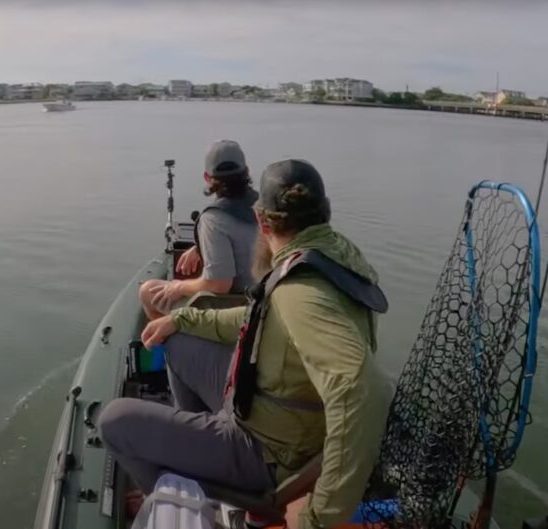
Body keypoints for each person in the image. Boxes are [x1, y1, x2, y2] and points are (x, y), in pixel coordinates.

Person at [99, 159, 390, 529]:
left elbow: (360, 391)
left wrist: (319, 520)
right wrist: (185, 318)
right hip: (279, 413)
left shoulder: (301, 293)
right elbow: (259, 317)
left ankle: (181, 495)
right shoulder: (329, 256)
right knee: (176, 341)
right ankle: (196, 456)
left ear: (262, 222)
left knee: (115, 421)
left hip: (268, 450)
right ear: (323, 215)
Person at [138, 139, 258, 319]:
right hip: (265, 303)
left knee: (148, 291)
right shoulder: (267, 204)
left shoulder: (213, 219)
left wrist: (178, 286)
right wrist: (199, 247)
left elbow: (219, 285)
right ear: (246, 171)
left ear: (207, 177)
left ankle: (172, 342)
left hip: (237, 310)